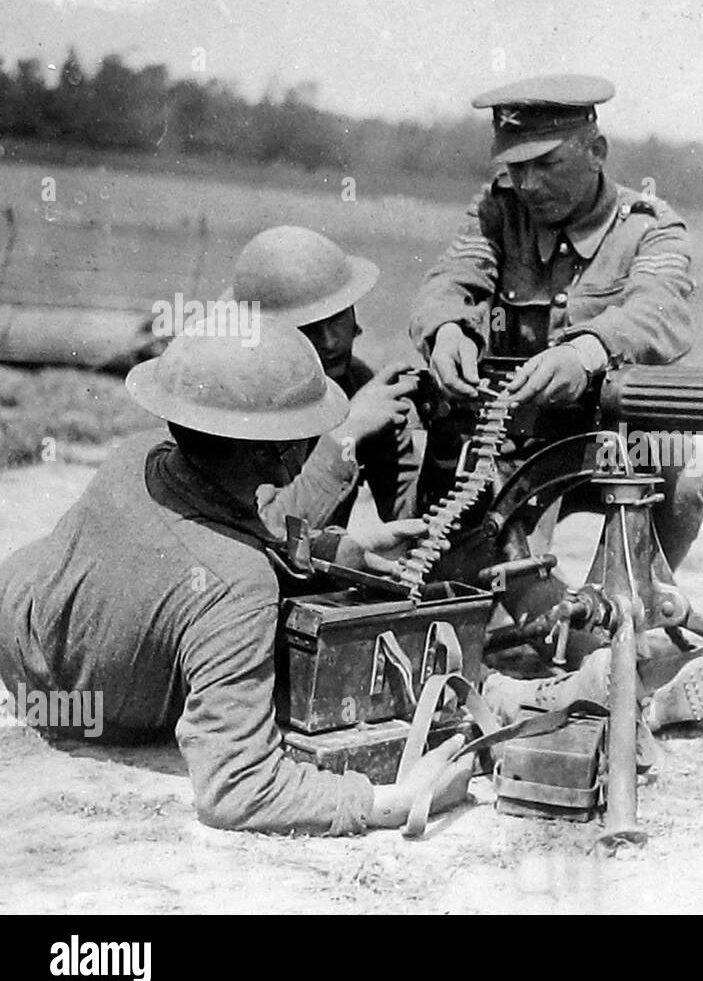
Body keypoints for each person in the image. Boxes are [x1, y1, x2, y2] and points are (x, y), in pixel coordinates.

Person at [0, 317, 472, 833]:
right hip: (80, 711)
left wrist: (338, 550)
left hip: (20, 618)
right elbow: (237, 788)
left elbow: (228, 521)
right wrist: (394, 801)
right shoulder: (237, 589)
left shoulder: (142, 454)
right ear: (278, 451)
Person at [408, 74, 703, 656]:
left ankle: (631, 603)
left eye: (545, 165)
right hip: (519, 452)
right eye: (515, 167)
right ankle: (578, 640)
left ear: (596, 152)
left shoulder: (651, 227)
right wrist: (447, 328)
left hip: (618, 445)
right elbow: (453, 277)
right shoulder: (499, 210)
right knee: (535, 618)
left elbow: (661, 308)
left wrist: (587, 351)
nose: (527, 184)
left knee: (685, 470)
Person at [228, 226, 422, 532]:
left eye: (338, 318)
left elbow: (406, 516)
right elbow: (263, 532)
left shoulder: (355, 381)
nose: (331, 342)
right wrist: (345, 435)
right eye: (310, 327)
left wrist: (445, 448)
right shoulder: (236, 400)